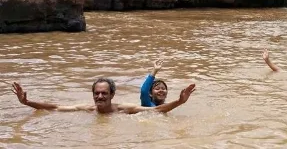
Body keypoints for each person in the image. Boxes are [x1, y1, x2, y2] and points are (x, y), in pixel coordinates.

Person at [11, 77, 195, 114]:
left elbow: (155, 110)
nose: (100, 96)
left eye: (104, 93)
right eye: (97, 93)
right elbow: (55, 107)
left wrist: (179, 101)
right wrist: (27, 102)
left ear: (112, 94)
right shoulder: (87, 109)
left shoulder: (124, 109)